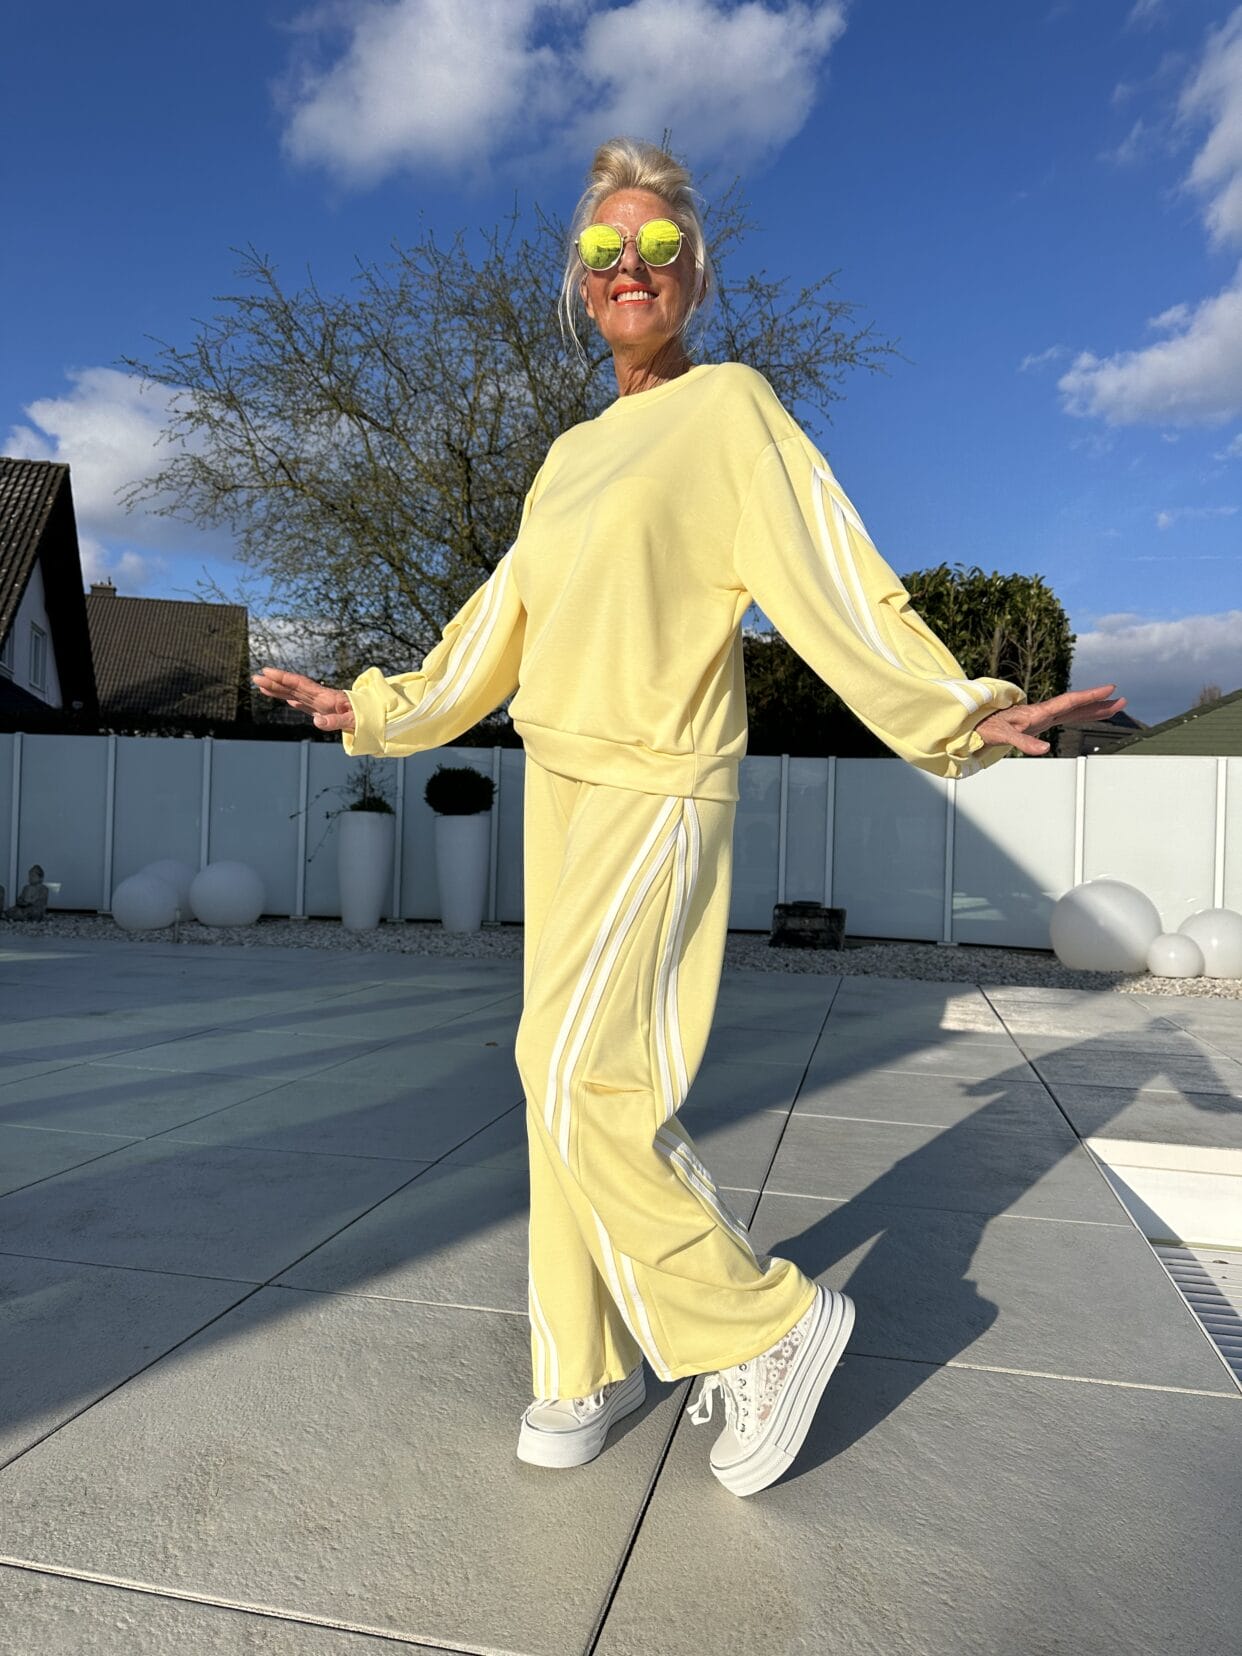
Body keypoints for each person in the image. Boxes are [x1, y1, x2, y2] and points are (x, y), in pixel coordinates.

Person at [253, 137, 1126, 1498]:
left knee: (578, 1074)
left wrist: (951, 710)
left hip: (658, 781)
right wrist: (373, 708)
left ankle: (758, 1325)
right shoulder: (567, 458)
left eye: (657, 247)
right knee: (562, 1088)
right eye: (603, 250)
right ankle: (582, 1362)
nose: (630, 268)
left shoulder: (729, 409)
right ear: (577, 281)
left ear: (696, 276)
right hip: (561, 785)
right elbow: (495, 627)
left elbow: (830, 569)